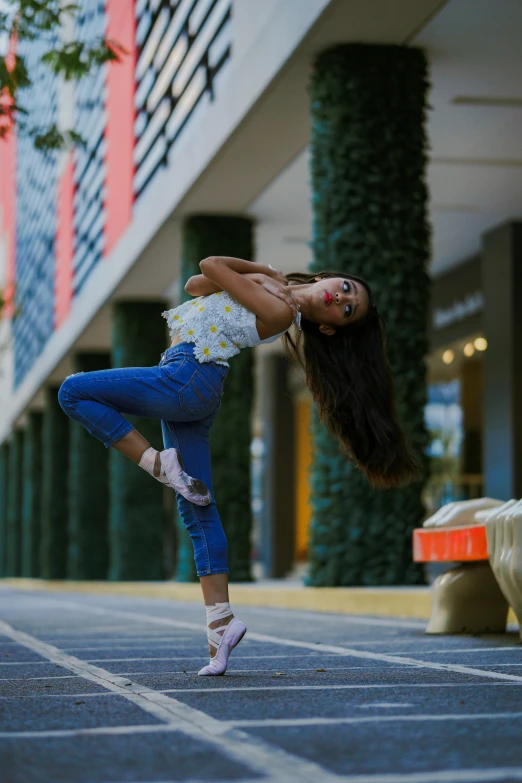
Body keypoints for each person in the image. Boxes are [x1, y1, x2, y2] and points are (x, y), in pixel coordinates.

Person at [58, 255, 420, 676]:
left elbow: (210, 264)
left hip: (186, 379)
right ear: (330, 277)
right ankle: (221, 625)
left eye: (346, 309)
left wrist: (265, 272)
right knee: (198, 510)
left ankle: (157, 463)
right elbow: (196, 284)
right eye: (346, 289)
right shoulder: (271, 293)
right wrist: (260, 277)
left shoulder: (282, 309)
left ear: (329, 327)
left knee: (73, 391)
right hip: (191, 384)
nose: (340, 297)